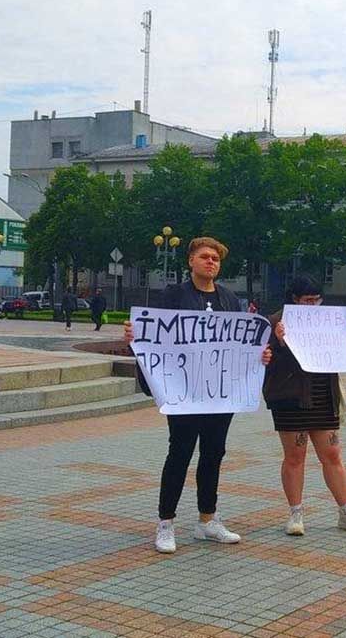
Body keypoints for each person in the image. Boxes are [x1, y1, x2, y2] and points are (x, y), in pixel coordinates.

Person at [123, 237, 273, 554]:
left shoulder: (230, 300)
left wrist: (259, 357)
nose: (211, 262)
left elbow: (241, 345)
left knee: (213, 454)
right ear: (190, 260)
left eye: (216, 259)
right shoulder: (173, 296)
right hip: (185, 394)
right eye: (205, 257)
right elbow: (154, 337)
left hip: (219, 395)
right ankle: (166, 523)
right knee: (179, 454)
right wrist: (134, 338)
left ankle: (207, 519)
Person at [264, 274, 346, 537]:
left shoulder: (331, 320)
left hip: (323, 392)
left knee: (332, 454)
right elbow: (262, 362)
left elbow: (342, 351)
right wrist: (277, 343)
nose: (312, 305)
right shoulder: (275, 322)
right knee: (295, 456)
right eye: (307, 300)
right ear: (294, 299)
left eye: (316, 300)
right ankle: (295, 514)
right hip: (290, 396)